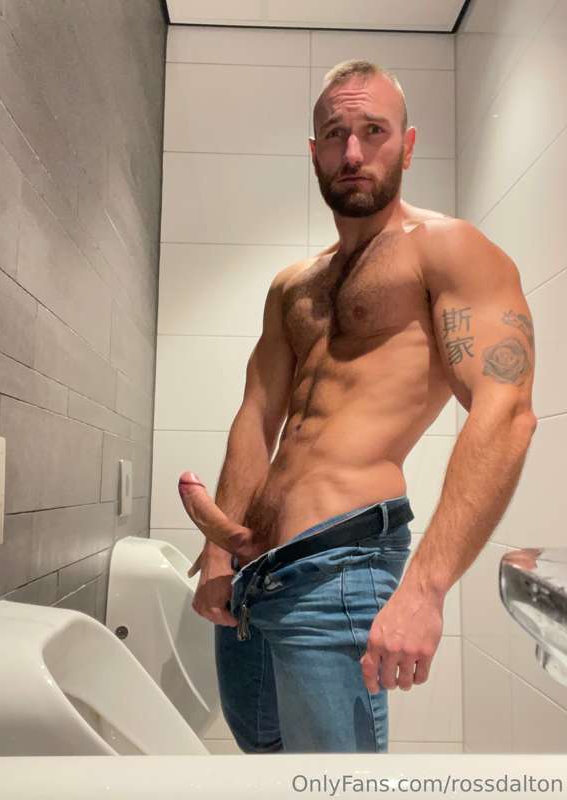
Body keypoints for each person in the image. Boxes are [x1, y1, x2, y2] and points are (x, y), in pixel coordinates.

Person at [177, 59, 537, 753]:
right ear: (313, 151)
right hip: (253, 569)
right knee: (264, 760)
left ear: (407, 144)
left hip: (339, 568)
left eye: (373, 131)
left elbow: (507, 410)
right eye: (336, 134)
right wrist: (220, 551)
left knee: (334, 787)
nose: (352, 152)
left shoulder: (448, 250)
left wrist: (426, 589)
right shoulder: (293, 286)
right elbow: (256, 415)